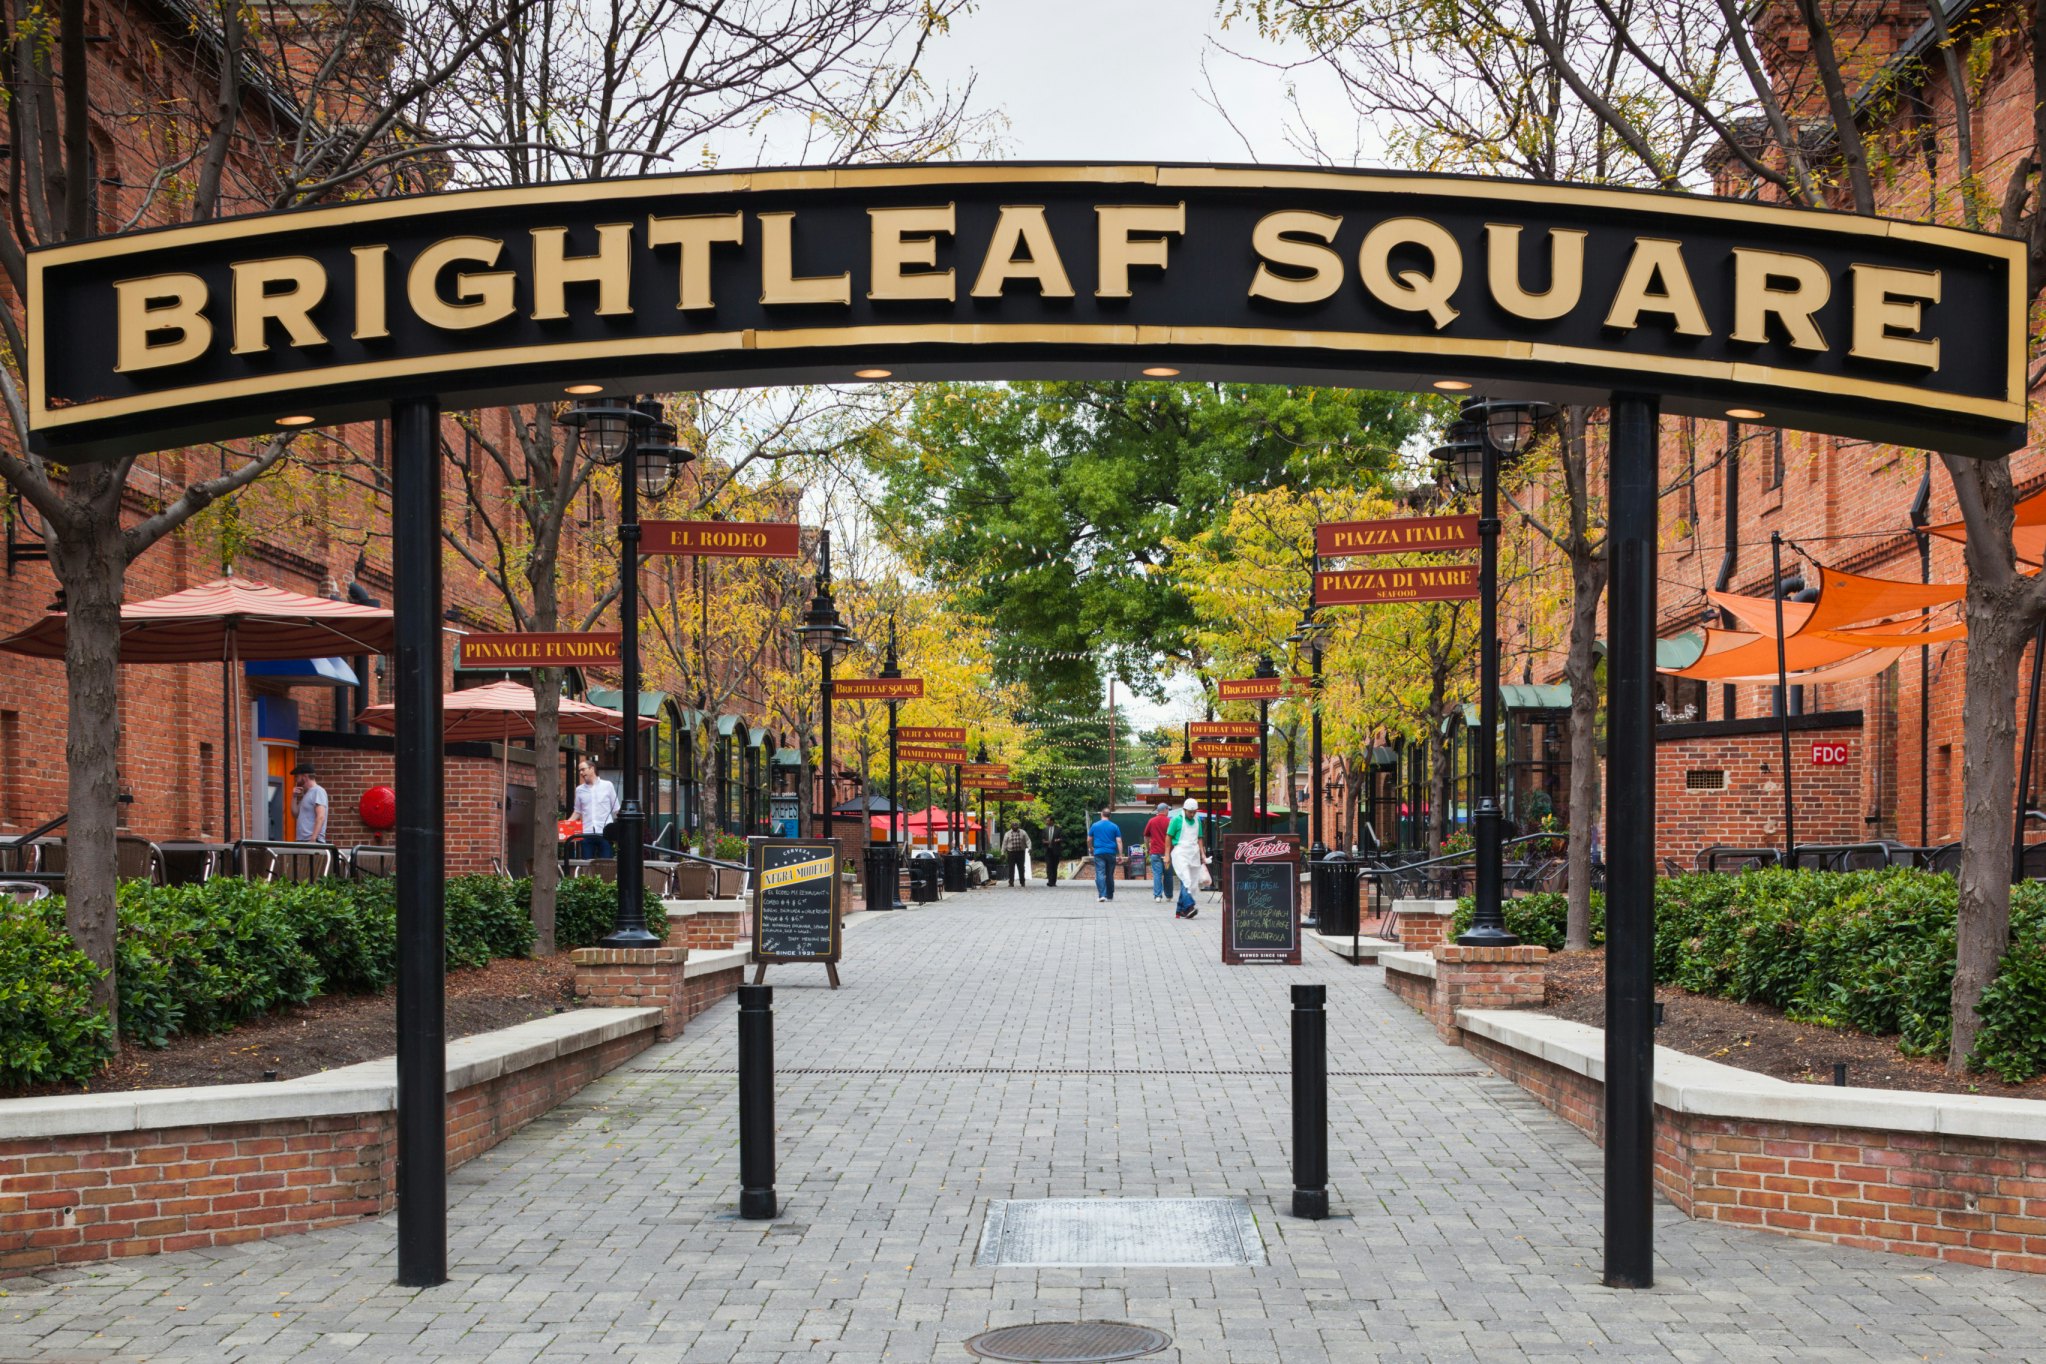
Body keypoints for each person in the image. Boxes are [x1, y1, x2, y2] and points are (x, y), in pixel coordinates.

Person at [573, 758, 620, 858]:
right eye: (579, 771)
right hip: (587, 832)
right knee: (587, 865)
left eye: (583, 769)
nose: (581, 773)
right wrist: (564, 826)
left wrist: (622, 829)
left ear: (592, 769)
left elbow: (616, 809)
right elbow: (577, 812)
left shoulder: (607, 785)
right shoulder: (579, 790)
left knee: (606, 865)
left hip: (605, 832)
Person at [1168, 796, 1206, 919]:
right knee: (1186, 879)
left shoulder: (1198, 820)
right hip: (1180, 852)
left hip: (1193, 853)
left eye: (1194, 812)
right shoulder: (1176, 820)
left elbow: (1199, 838)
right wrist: (1166, 855)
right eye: (1190, 812)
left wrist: (1202, 854)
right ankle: (1189, 906)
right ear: (1184, 810)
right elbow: (1168, 837)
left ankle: (1180, 910)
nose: (1192, 814)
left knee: (1192, 883)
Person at [1088, 808, 1124, 902]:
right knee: (1109, 874)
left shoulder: (1095, 825)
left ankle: (1102, 895)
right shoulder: (1114, 826)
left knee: (1100, 873)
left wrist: (1091, 848)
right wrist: (1120, 855)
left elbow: (1089, 839)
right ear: (1110, 816)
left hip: (1099, 852)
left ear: (1101, 814)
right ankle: (1110, 895)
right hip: (1111, 853)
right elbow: (1119, 841)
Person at [291, 765, 329, 843]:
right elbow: (295, 814)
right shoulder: (307, 793)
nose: (296, 780)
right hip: (303, 840)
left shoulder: (318, 791)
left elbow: (321, 816)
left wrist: (313, 838)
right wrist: (294, 797)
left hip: (312, 841)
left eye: (297, 776)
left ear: (304, 776)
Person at [1143, 801, 1172, 901]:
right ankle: (1169, 896)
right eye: (1168, 809)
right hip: (1167, 853)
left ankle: (1158, 896)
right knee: (1168, 875)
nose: (1168, 811)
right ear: (1165, 810)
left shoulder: (1151, 821)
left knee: (1157, 874)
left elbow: (1146, 836)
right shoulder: (1170, 821)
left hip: (1155, 852)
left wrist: (1148, 848)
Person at [1003, 822, 1030, 887]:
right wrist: (1002, 853)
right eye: (1014, 825)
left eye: (1016, 825)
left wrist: (1030, 848)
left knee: (1021, 868)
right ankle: (1011, 882)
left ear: (1018, 826)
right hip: (1011, 852)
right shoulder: (1007, 834)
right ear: (1011, 826)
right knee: (1011, 868)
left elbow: (1028, 840)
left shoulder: (1023, 832)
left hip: (1020, 852)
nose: (1015, 826)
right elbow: (1004, 844)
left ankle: (1022, 882)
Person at [1043, 818, 1060, 887]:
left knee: (1054, 866)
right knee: (1049, 866)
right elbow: (1042, 838)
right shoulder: (1045, 829)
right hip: (1048, 850)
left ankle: (1053, 882)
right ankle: (1050, 881)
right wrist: (1044, 841)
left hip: (1056, 850)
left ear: (1052, 821)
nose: (1046, 822)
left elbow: (1063, 838)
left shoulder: (1058, 829)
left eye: (1048, 820)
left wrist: (1058, 840)